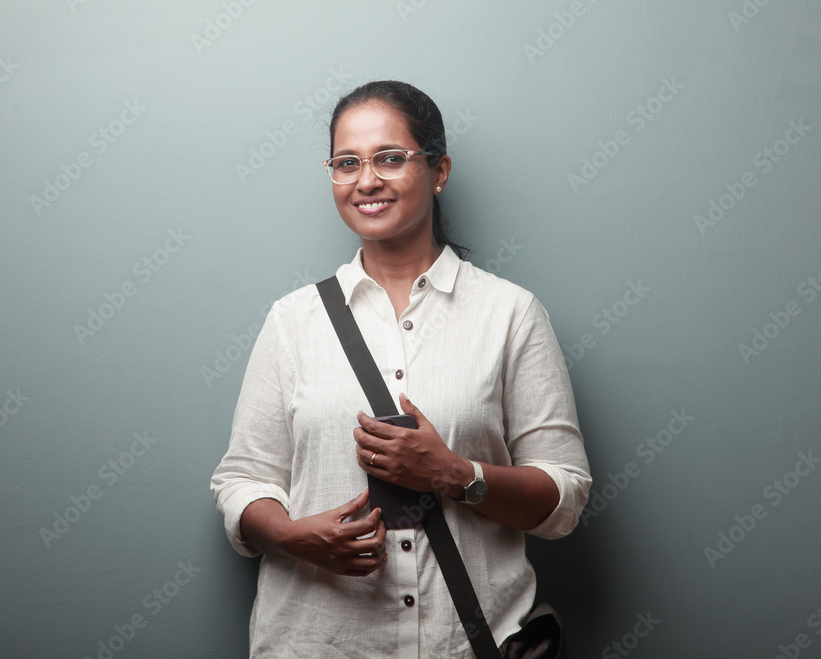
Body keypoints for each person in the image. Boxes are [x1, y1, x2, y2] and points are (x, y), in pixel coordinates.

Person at [211, 80, 591, 657]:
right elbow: (242, 481)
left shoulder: (511, 314)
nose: (366, 180)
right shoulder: (293, 320)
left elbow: (562, 497)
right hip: (320, 643)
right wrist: (293, 536)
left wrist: (457, 473)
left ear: (438, 171)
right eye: (346, 163)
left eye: (390, 158)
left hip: (465, 643)